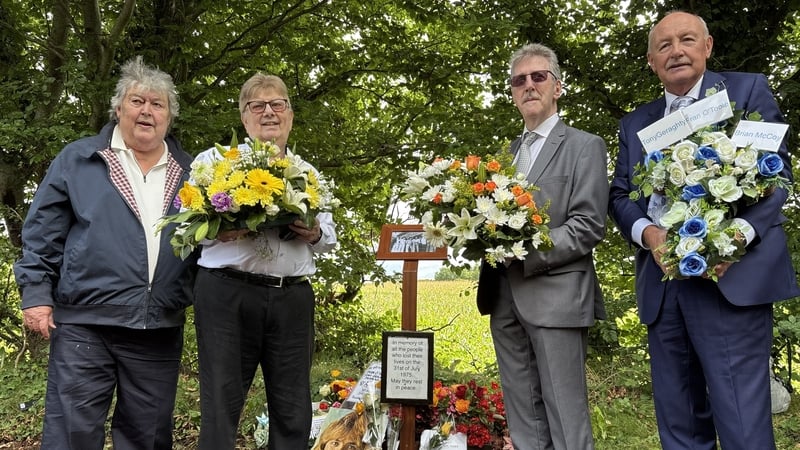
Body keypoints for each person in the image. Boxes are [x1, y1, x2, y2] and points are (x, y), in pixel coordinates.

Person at [608, 11, 800, 450]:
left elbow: (777, 173)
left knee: (742, 424)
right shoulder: (635, 124)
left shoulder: (745, 91)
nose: (676, 51)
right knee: (679, 423)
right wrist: (649, 235)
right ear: (651, 61)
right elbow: (620, 196)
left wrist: (738, 235)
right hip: (664, 284)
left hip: (731, 278)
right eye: (664, 45)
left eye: (687, 40)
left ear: (707, 46)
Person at [13, 56, 196, 449]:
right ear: (118, 109)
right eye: (137, 101)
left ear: (169, 116)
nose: (147, 110)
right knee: (71, 435)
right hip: (85, 324)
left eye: (157, 103)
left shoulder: (193, 172)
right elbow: (43, 232)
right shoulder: (79, 160)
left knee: (146, 438)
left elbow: (207, 247)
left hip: (157, 327)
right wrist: (36, 295)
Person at [192, 73, 337, 449]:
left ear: (290, 114)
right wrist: (215, 229)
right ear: (244, 118)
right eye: (258, 106)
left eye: (278, 104)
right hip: (226, 293)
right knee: (221, 405)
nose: (269, 112)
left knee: (292, 409)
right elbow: (186, 228)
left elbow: (329, 239)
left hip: (291, 297)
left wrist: (314, 232)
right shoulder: (212, 163)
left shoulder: (309, 173)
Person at [475, 43, 608, 450]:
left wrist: (526, 253)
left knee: (567, 424)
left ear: (557, 87)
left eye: (538, 77)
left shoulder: (585, 146)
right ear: (512, 92)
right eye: (519, 80)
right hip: (503, 298)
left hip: (558, 298)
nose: (529, 85)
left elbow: (588, 225)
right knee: (523, 420)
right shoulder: (503, 158)